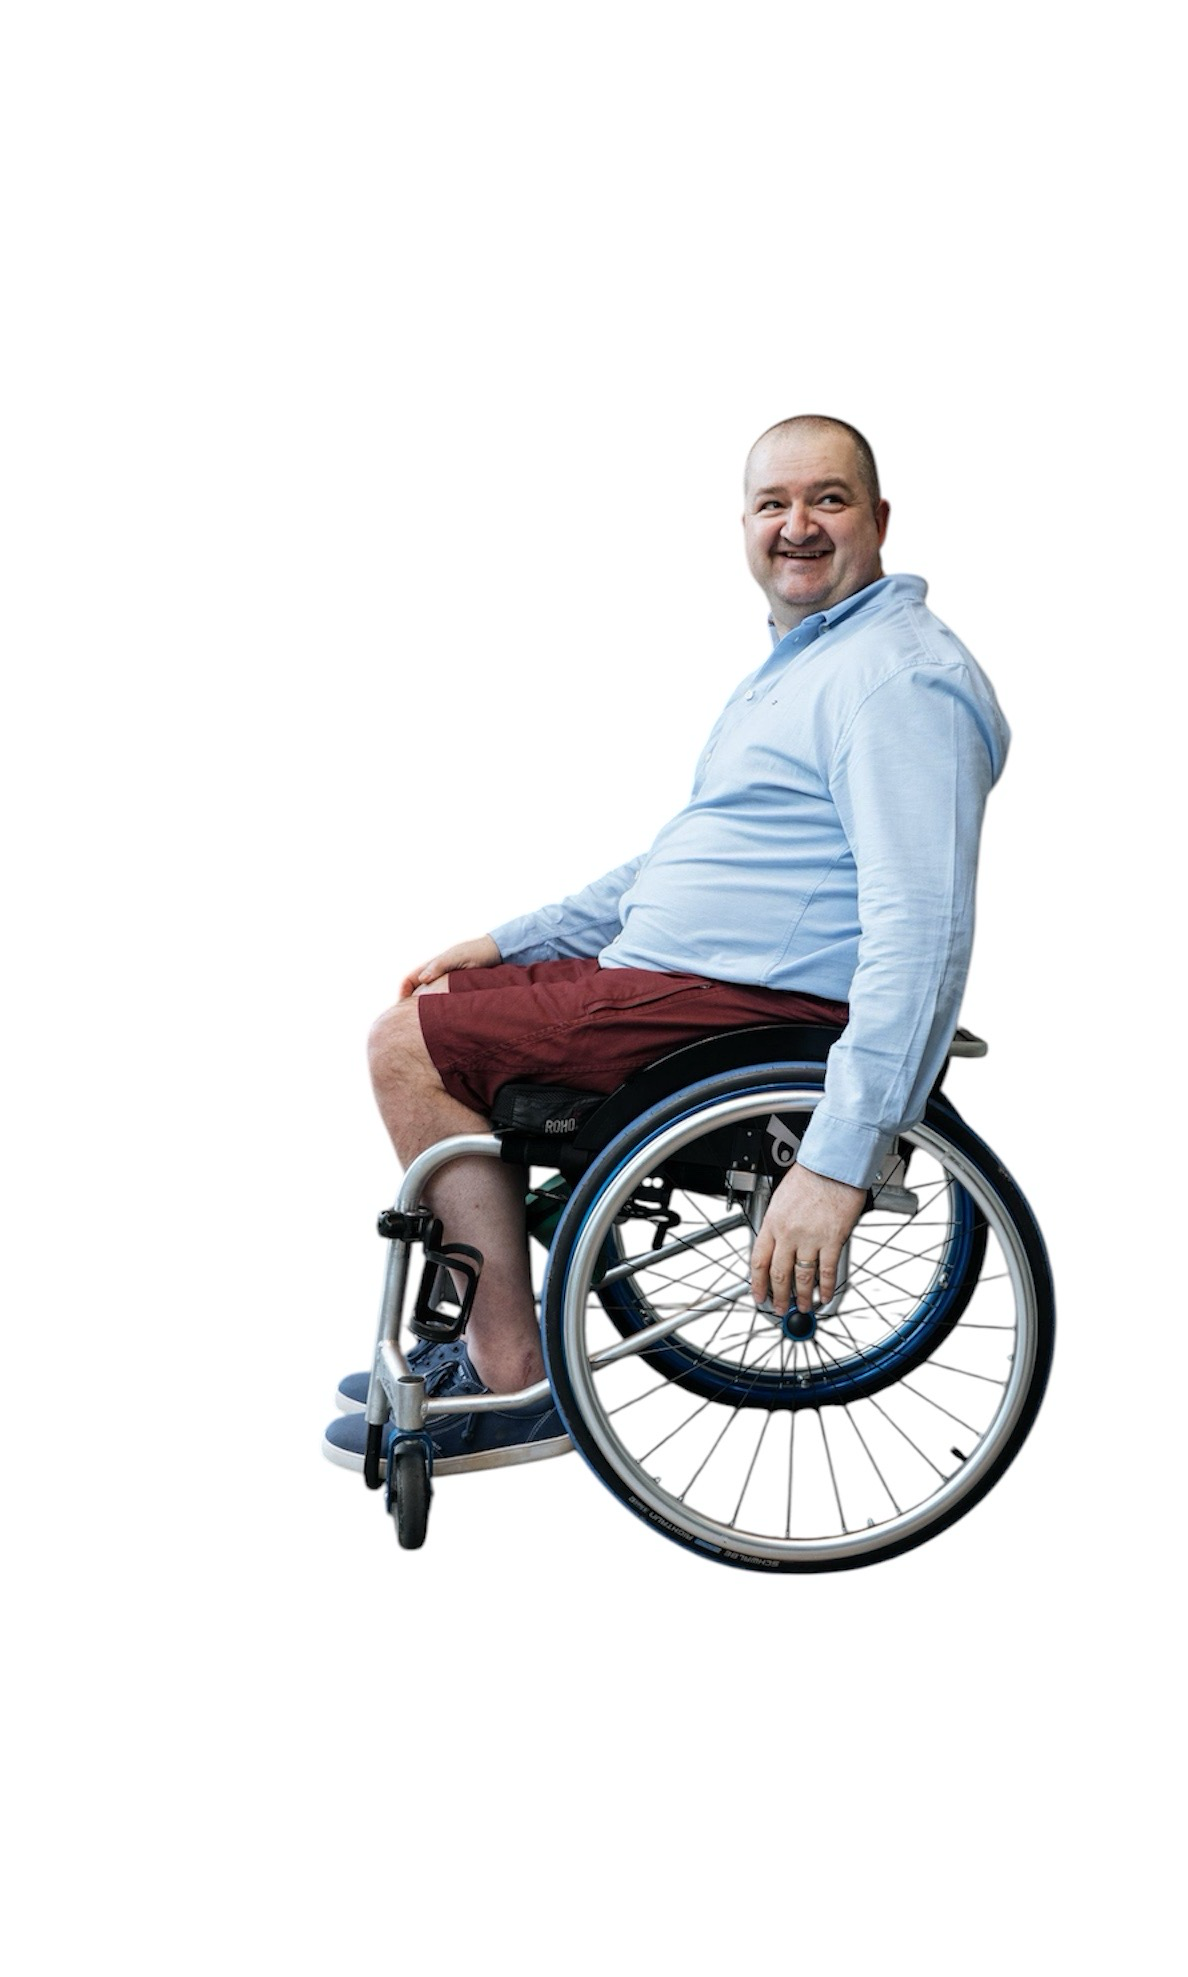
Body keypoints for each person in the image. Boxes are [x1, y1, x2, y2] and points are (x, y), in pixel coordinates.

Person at [324, 414, 1010, 1476]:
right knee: (444, 1004)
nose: (797, 525)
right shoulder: (810, 664)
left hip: (746, 1006)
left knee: (406, 1046)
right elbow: (681, 861)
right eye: (773, 503)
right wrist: (509, 941)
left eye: (827, 499)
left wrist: (838, 1159)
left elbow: (924, 929)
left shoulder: (898, 680)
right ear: (745, 525)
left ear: (878, 519)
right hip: (682, 980)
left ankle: (509, 1372)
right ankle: (494, 1322)